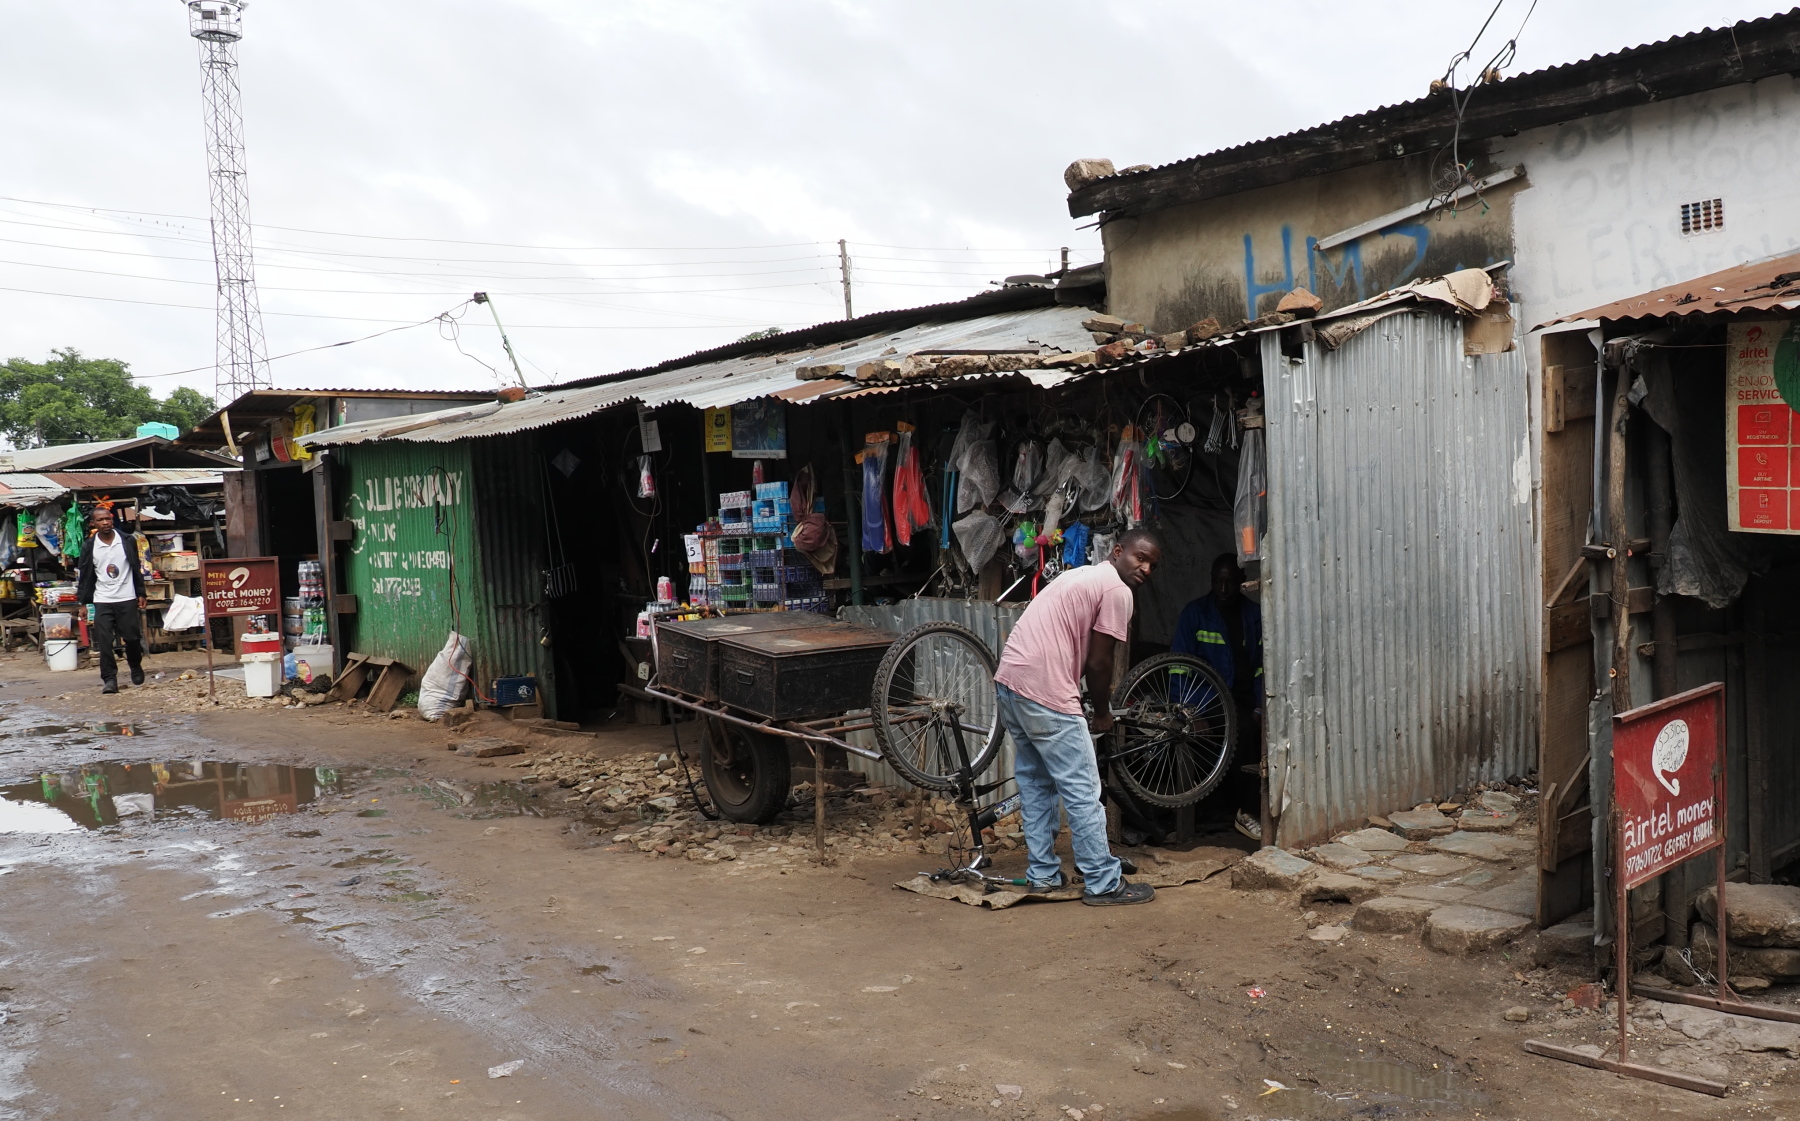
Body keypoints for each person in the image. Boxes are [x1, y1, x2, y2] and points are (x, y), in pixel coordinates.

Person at [992, 526, 1163, 906]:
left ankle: (1043, 874)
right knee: (1083, 789)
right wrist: (1102, 713)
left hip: (1010, 682)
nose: (1146, 569)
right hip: (1045, 689)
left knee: (1037, 785)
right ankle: (1103, 882)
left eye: (1153, 565)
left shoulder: (1081, 575)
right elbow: (1100, 662)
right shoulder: (1117, 590)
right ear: (1117, 552)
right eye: (1140, 558)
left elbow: (1080, 653)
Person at [1171, 552, 1263, 840]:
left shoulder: (1254, 615)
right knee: (1241, 732)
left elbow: (1263, 667)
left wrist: (1262, 707)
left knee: (1252, 732)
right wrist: (1189, 711)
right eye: (1217, 582)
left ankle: (1243, 809)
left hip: (1244, 698)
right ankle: (1244, 811)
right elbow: (1177, 668)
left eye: (1230, 582)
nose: (1223, 589)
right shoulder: (1195, 614)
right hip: (1206, 700)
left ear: (1242, 581)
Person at [74, 505, 147, 694]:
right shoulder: (89, 546)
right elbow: (85, 575)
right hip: (102, 599)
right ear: (93, 524)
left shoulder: (127, 540)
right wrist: (83, 603)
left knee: (132, 638)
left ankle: (135, 665)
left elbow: (136, 567)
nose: (105, 522)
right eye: (100, 520)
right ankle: (109, 679)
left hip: (127, 597)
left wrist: (141, 593)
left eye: (108, 518)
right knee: (104, 641)